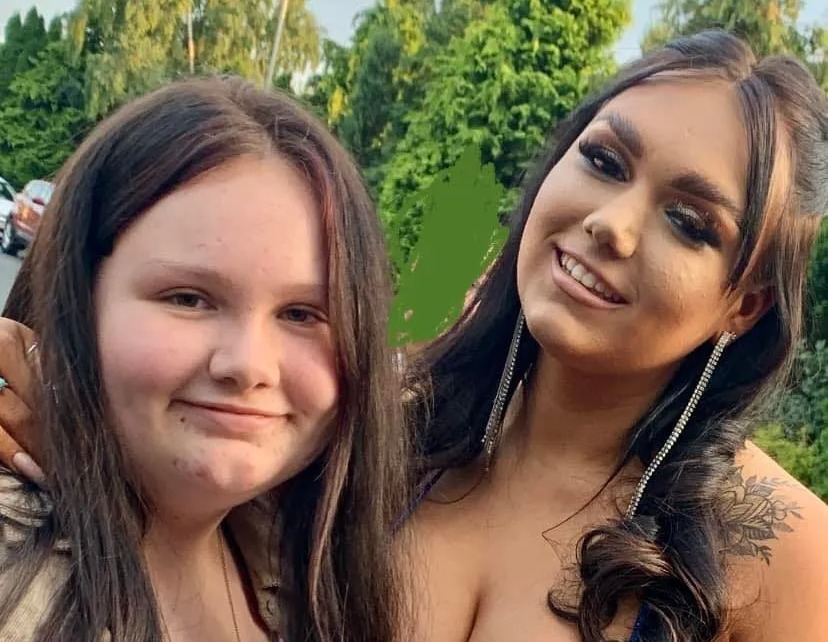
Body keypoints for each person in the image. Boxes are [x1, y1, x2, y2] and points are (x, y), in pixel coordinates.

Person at [0, 30, 826, 642]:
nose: (611, 224)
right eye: (605, 163)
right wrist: (80, 433)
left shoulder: (786, 555)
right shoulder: (375, 424)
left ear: (742, 305)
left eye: (688, 221)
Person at [0, 76, 411, 642]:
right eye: (188, 299)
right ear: (77, 300)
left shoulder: (303, 569)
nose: (248, 365)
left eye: (302, 314)